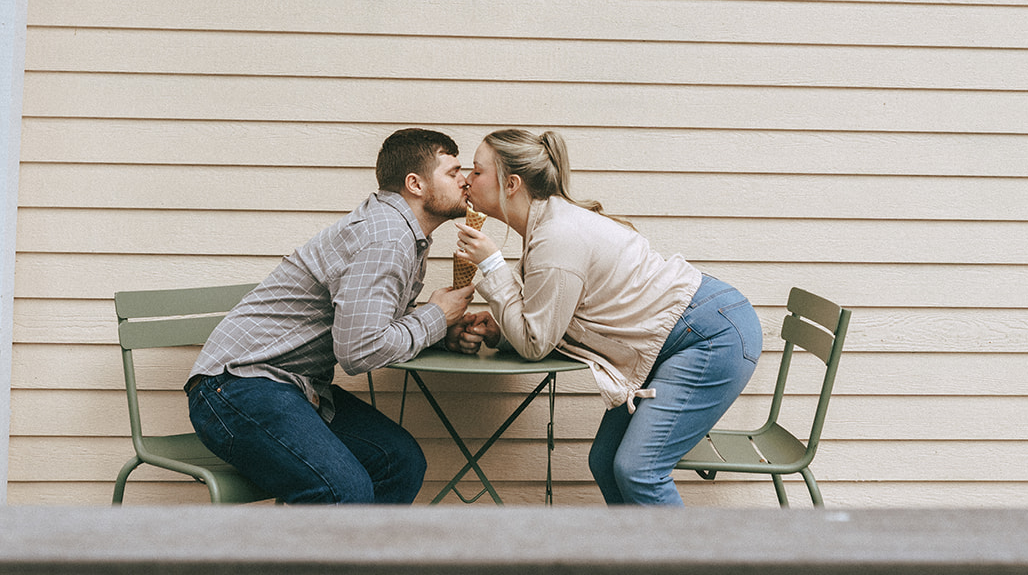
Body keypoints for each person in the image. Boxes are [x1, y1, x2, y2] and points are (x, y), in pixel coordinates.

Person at [454, 128, 761, 506]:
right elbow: (552, 321)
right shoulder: (547, 227)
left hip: (710, 334)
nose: (467, 180)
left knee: (640, 471)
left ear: (511, 183)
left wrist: (491, 264)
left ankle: (689, 565)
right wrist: (500, 330)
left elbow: (536, 344)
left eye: (477, 171)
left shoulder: (557, 235)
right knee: (605, 461)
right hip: (686, 330)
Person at [185, 128, 477, 504]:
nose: (465, 181)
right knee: (342, 491)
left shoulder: (400, 232)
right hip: (237, 387)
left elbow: (377, 324)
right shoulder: (387, 237)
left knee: (398, 461)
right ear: (415, 184)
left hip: (292, 387)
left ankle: (357, 562)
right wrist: (436, 317)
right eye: (453, 172)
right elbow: (359, 351)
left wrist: (442, 329)